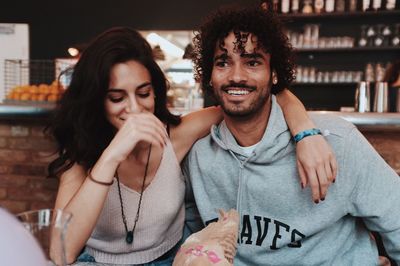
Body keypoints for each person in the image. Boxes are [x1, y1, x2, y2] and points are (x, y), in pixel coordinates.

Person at [47, 27, 335, 265]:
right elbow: (61, 254)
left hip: (171, 260)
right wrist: (111, 155)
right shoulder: (81, 151)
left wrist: (305, 133)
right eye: (116, 97)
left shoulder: (177, 134)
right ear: (97, 100)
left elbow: (256, 98)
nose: (134, 109)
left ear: (156, 93)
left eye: (144, 93)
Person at [183, 5, 400, 265]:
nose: (236, 76)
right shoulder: (199, 155)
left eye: (252, 62)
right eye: (223, 62)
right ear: (209, 75)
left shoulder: (337, 142)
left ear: (274, 74)